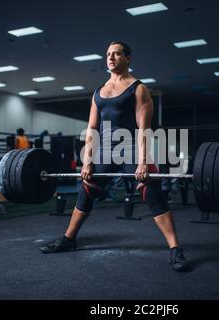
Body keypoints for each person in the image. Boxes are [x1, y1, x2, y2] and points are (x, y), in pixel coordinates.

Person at [40, 41, 190, 272]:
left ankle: (175, 249)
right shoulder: (98, 93)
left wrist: (142, 161)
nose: (111, 57)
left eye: (117, 53)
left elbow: (144, 128)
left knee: (152, 194)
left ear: (128, 58)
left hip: (131, 148)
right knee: (86, 191)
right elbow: (92, 129)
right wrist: (87, 161)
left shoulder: (138, 88)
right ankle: (69, 239)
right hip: (105, 151)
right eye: (108, 54)